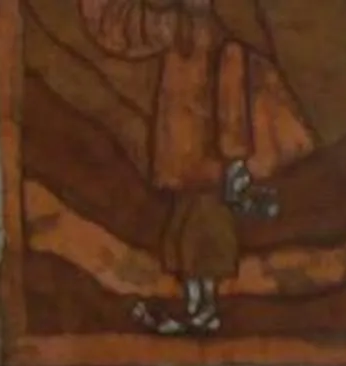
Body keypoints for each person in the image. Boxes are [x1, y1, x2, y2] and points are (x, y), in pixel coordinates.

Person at [78, 0, 315, 334]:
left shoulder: (224, 34)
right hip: (188, 155)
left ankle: (203, 310)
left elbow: (232, 98)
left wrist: (234, 158)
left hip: (209, 160)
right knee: (188, 230)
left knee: (204, 232)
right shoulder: (182, 25)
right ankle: (197, 307)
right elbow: (129, 30)